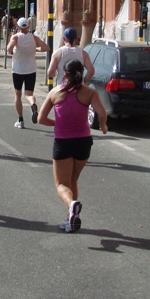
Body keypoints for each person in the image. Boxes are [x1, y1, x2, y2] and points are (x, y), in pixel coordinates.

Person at [38, 59, 108, 232]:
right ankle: (71, 218)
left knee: (61, 184)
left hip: (64, 142)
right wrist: (104, 126)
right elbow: (101, 113)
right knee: (73, 179)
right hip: (84, 142)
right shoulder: (89, 92)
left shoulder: (55, 92)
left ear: (66, 74)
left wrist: (57, 122)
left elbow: (40, 119)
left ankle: (71, 205)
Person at [7, 17, 50, 128]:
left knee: (17, 94)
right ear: (28, 27)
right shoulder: (34, 38)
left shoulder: (16, 37)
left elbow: (9, 47)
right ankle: (33, 104)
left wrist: (11, 50)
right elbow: (46, 48)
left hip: (18, 70)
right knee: (29, 94)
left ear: (19, 27)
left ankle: (20, 120)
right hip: (31, 70)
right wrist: (36, 49)